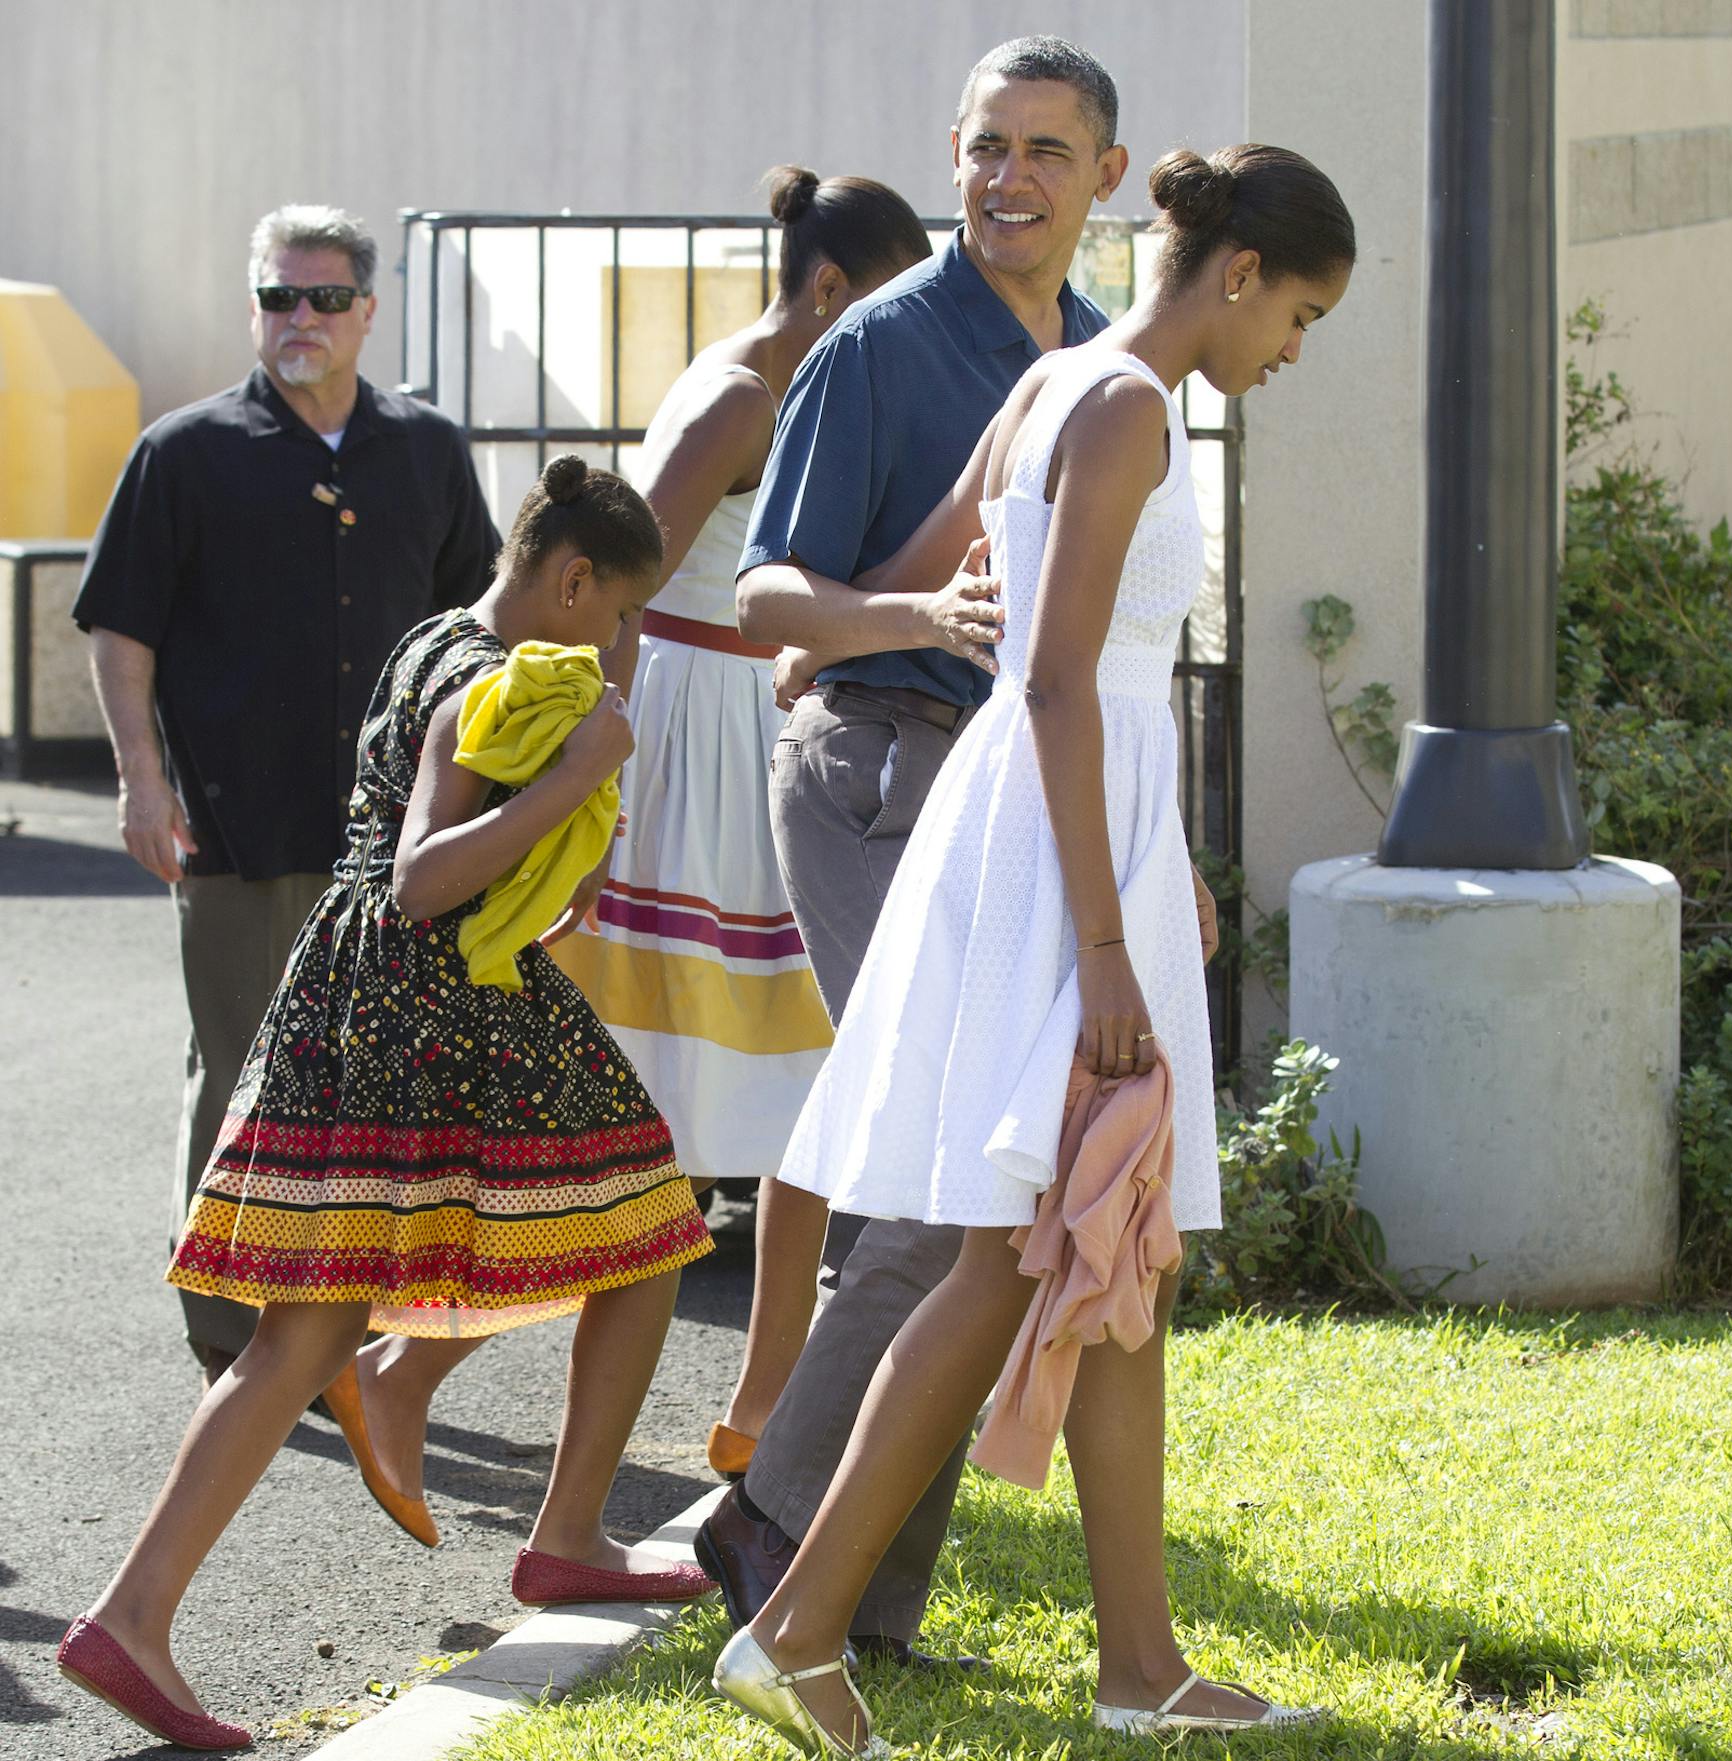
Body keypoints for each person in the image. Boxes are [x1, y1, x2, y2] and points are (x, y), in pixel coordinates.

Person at [712, 143, 1357, 1757]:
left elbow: (960, 585)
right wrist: (1109, 943)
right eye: (1303, 311)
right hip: (1059, 860)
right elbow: (1061, 682)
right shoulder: (1127, 403)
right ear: (1235, 274)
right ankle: (794, 1628)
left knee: (1109, 1240)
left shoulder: (1055, 377)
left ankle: (1139, 1665)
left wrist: (1156, 874)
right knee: (1018, 1251)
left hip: (1067, 833)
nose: (1295, 349)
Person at [55, 458, 716, 1754]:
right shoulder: (498, 684)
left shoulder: (435, 637)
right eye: (622, 612)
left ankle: (139, 1614)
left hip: (371, 994)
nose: (620, 640)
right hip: (429, 997)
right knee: (639, 1238)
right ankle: (556, 1530)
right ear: (575, 580)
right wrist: (578, 773)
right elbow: (422, 877)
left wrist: (547, 854)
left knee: (322, 1333)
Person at [692, 36, 1128, 1668]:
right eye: (987, 148)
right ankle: (773, 1526)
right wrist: (915, 611)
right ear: (954, 156)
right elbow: (765, 599)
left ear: (1107, 176)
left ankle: (851, 1595)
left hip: (1017, 794)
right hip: (879, 767)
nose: (1009, 178)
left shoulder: (1101, 358)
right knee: (952, 1205)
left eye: (1044, 152)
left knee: (985, 1207)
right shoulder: (880, 345)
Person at [546, 167, 931, 1484]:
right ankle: (406, 1363)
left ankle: (765, 1406)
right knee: (657, 1093)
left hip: (750, 736)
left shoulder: (798, 392)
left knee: (807, 1079)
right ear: (829, 288)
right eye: (884, 307)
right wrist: (593, 781)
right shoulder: (739, 395)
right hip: (691, 752)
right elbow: (611, 582)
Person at [72, 204, 499, 1391]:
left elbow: (478, 624)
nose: (297, 319)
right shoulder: (185, 451)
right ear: (252, 308)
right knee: (242, 1068)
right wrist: (140, 783)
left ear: (368, 310)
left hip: (393, 838)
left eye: (321, 298)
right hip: (234, 825)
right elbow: (121, 632)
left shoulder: (426, 449)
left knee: (367, 1082)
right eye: (276, 298)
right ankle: (226, 1324)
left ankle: (330, 1317)